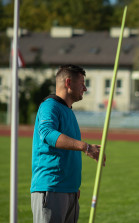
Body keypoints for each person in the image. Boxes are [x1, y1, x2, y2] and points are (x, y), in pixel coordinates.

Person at [30, 64, 104, 223]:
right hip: (51, 189)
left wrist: (72, 188)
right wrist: (86, 147)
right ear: (69, 83)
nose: (85, 88)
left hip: (68, 192)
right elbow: (48, 134)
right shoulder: (50, 106)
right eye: (82, 83)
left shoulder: (68, 111)